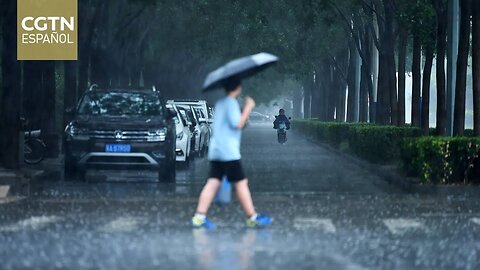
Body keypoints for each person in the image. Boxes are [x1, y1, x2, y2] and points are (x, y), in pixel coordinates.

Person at [191, 79, 273, 229]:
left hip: (216, 150)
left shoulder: (221, 103)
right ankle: (252, 217)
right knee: (241, 183)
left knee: (213, 182)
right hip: (228, 152)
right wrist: (248, 107)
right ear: (237, 87)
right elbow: (237, 125)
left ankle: (199, 217)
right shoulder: (230, 103)